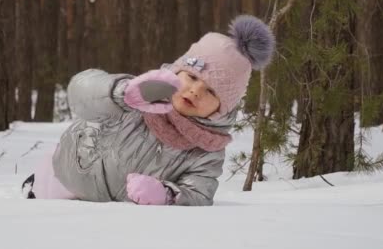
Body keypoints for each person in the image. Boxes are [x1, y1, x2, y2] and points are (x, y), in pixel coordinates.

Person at [22, 15, 275, 206]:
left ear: (222, 109)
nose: (196, 91)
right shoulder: (139, 96)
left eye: (211, 92)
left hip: (102, 217)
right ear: (177, 71)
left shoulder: (207, 149)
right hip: (59, 178)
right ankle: (34, 185)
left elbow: (199, 192)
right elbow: (79, 92)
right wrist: (120, 93)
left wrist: (167, 194)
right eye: (192, 77)